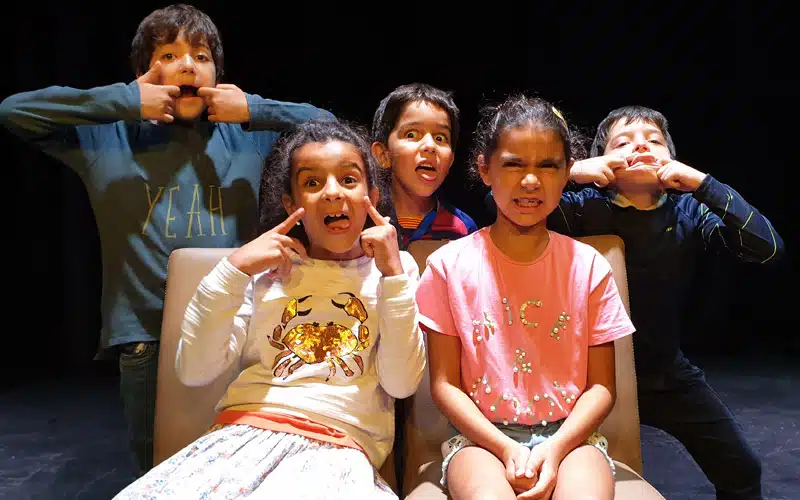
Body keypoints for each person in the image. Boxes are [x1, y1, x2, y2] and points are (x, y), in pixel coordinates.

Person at [0, 3, 335, 475]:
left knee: (236, 464)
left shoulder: (247, 136)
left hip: (236, 327)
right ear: (145, 73)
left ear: (217, 74)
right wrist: (125, 100)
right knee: (158, 469)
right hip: (147, 335)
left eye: (201, 55)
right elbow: (15, 111)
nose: (187, 66)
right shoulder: (108, 137)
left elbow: (329, 126)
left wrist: (254, 108)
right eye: (169, 55)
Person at [112, 119, 426, 498]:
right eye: (312, 183)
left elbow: (401, 383)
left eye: (348, 179)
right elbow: (195, 370)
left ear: (372, 196)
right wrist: (233, 269)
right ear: (292, 204)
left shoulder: (395, 271)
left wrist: (392, 276)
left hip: (338, 446)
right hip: (244, 434)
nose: (332, 192)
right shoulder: (264, 272)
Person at [541, 105, 785, 499]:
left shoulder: (688, 211)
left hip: (665, 375)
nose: (640, 147)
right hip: (586, 381)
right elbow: (501, 204)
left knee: (742, 471)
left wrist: (702, 183)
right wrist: (571, 171)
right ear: (602, 161)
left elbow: (767, 247)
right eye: (623, 143)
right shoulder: (581, 207)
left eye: (653, 141)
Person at [417, 95, 636, 499]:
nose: (531, 181)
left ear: (568, 172)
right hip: (481, 441)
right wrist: (506, 448)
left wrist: (555, 448)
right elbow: (444, 385)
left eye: (547, 166)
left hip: (572, 440)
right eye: (514, 164)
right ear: (485, 169)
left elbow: (603, 387)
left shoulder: (589, 267)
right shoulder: (448, 267)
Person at [371, 83, 477, 250]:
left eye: (440, 138)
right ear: (383, 154)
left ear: (450, 161)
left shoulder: (463, 230)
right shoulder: (362, 221)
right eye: (412, 134)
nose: (430, 145)